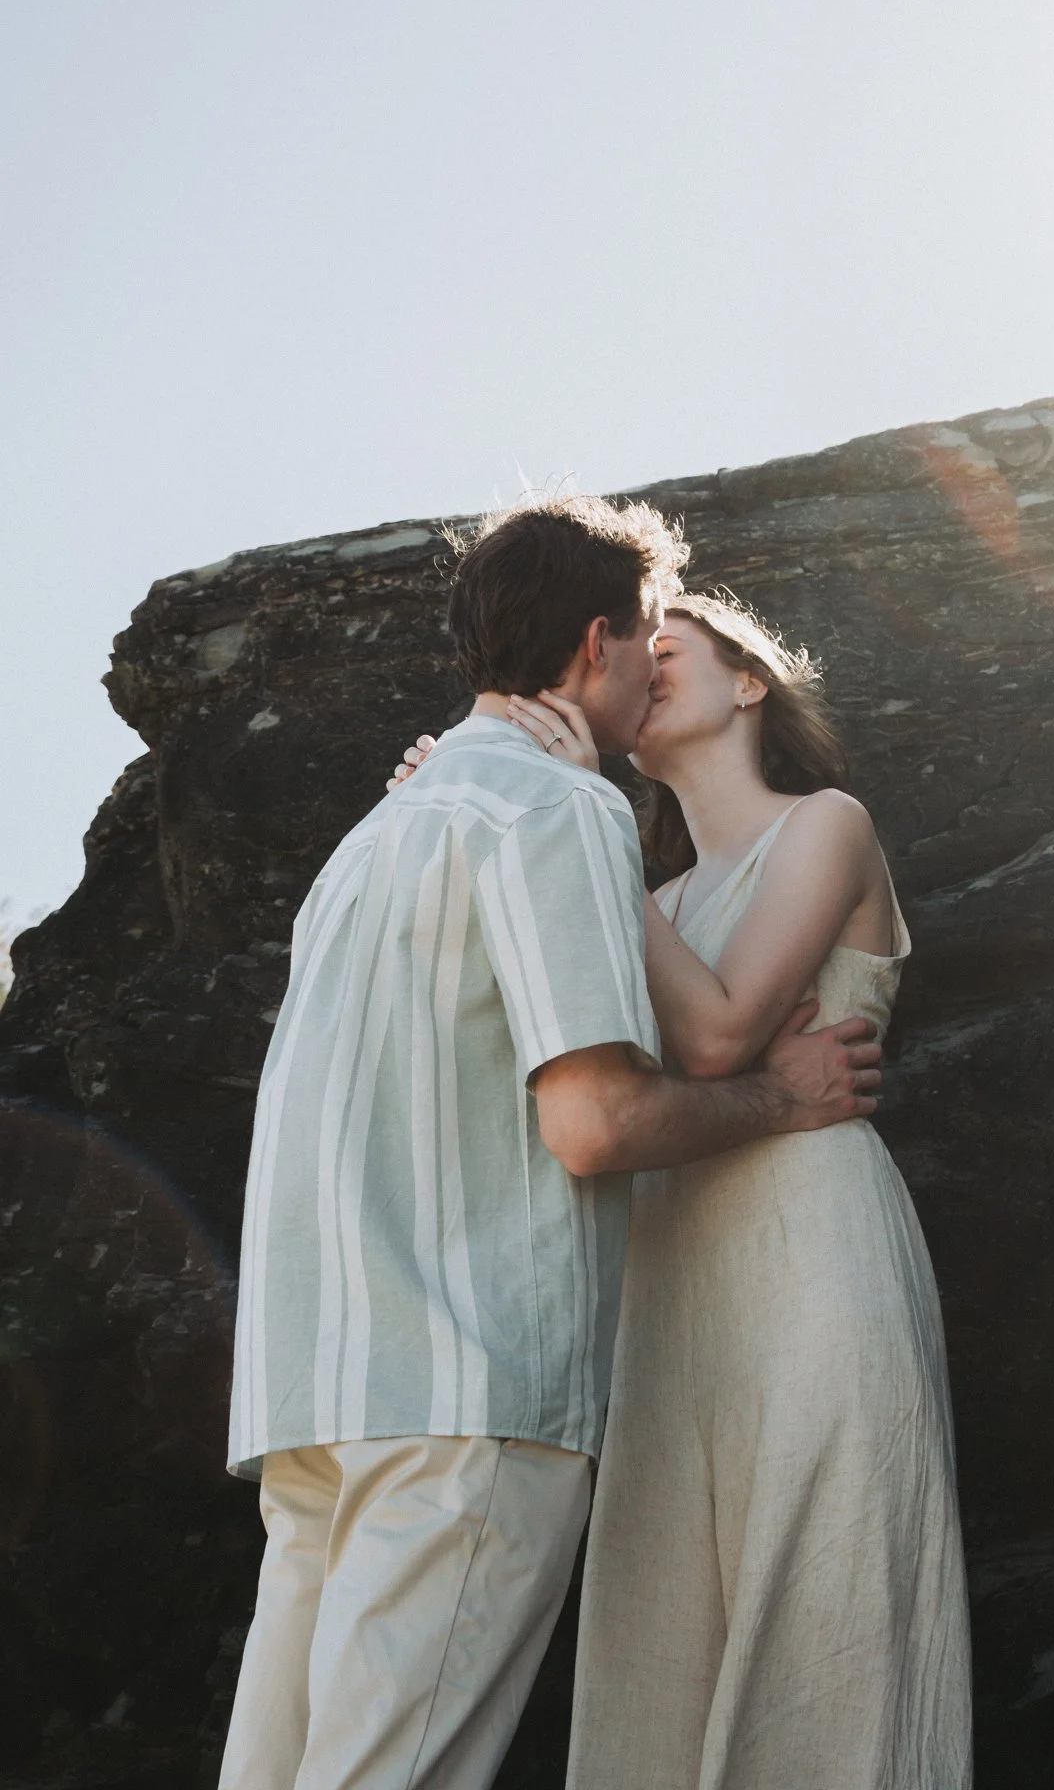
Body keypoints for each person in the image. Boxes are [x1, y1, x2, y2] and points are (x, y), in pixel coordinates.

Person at [219, 499, 883, 1790]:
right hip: (464, 1403)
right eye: (646, 643)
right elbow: (594, 1124)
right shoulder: (562, 813)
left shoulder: (361, 850)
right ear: (597, 644)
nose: (652, 674)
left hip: (315, 1397)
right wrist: (783, 1102)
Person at [500, 591, 973, 1790]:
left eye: (668, 650)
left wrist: (593, 814)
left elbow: (715, 1043)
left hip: (816, 1251)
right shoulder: (643, 901)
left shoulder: (827, 824)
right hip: (663, 1294)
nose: (640, 669)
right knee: (658, 1645)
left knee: (836, 1605)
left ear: (749, 681)